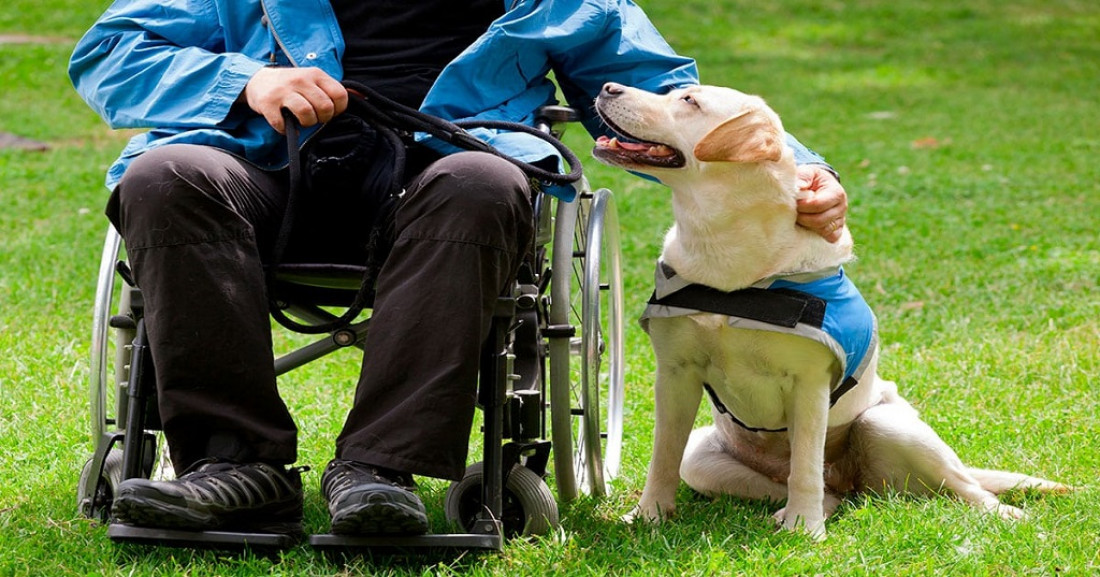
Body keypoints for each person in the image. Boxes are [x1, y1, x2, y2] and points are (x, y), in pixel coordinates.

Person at [69, 0, 849, 537]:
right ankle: (233, 467)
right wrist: (247, 80)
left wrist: (799, 173)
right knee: (162, 176)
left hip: (448, 175)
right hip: (270, 168)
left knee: (483, 182)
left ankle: (381, 472)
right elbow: (109, 51)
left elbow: (664, 96)